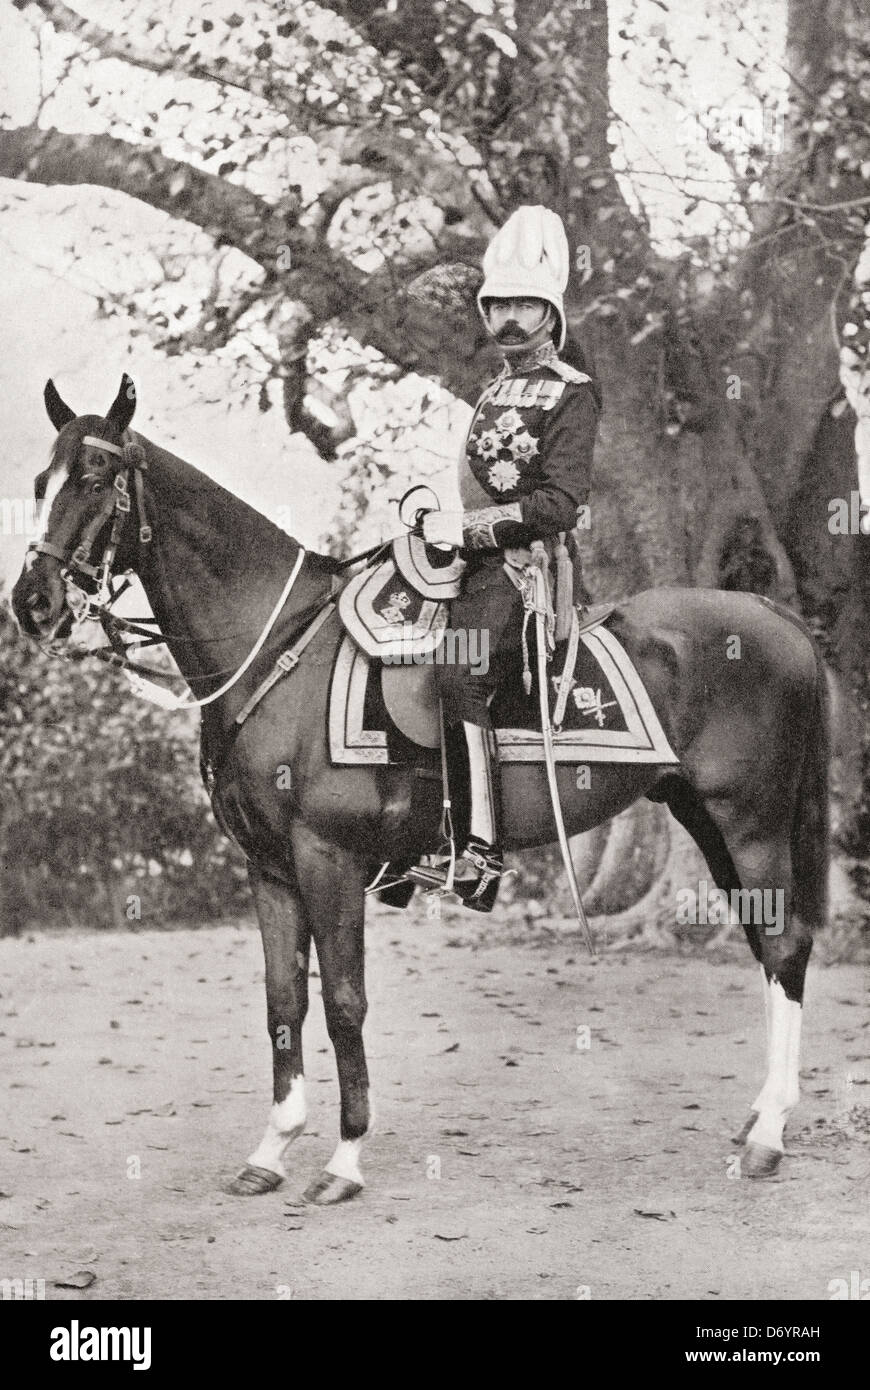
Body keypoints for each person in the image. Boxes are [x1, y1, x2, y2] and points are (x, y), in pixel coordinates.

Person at [421, 205, 600, 911]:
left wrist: (467, 533)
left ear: (551, 316)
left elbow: (560, 504)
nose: (511, 319)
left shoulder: (573, 394)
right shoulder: (491, 392)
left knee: (456, 672)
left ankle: (481, 852)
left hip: (525, 570)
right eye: (500, 305)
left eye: (527, 305)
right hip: (471, 564)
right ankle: (414, 840)